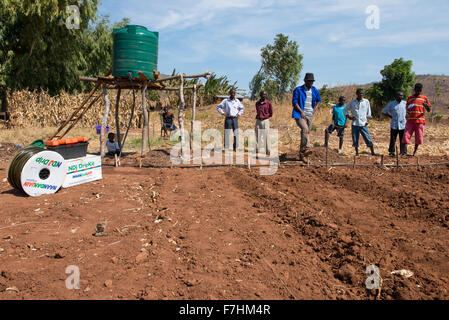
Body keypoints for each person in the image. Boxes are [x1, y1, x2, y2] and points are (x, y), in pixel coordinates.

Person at [292, 73, 321, 161]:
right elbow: (294, 102)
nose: (311, 83)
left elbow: (318, 100)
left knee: (306, 133)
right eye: (309, 81)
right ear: (305, 81)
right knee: (305, 129)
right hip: (300, 114)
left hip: (310, 114)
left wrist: (315, 108)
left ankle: (302, 155)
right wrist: (301, 112)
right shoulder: (298, 90)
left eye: (312, 81)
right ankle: (307, 148)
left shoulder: (314, 90)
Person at [402, 83, 431, 156]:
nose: (418, 91)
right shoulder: (410, 98)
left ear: (421, 90)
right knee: (406, 135)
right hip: (410, 120)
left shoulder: (424, 98)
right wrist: (407, 114)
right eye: (417, 90)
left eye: (420, 90)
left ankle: (414, 152)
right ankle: (404, 152)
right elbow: (407, 108)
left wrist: (427, 106)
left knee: (419, 136)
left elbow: (429, 110)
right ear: (414, 89)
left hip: (420, 121)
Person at [344, 88, 375, 156]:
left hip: (363, 123)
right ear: (357, 94)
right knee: (355, 138)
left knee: (368, 137)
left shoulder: (366, 101)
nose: (361, 95)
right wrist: (349, 117)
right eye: (360, 93)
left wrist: (368, 120)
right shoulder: (352, 102)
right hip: (355, 124)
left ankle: (372, 152)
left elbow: (368, 112)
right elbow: (345, 109)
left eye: (362, 93)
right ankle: (357, 153)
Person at [381, 91, 407, 157]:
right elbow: (384, 111)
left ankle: (403, 152)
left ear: (403, 96)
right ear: (396, 96)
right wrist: (390, 116)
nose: (400, 97)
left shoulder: (405, 103)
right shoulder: (391, 104)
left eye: (401, 95)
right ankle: (391, 152)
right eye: (398, 95)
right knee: (393, 139)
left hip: (403, 125)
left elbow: (410, 111)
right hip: (394, 125)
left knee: (403, 139)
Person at [255, 91, 273, 156]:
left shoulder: (268, 103)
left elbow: (271, 113)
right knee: (257, 135)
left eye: (265, 94)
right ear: (260, 95)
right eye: (262, 94)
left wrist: (266, 116)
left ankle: (268, 151)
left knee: (266, 136)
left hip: (265, 120)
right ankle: (257, 150)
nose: (264, 96)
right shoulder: (257, 103)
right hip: (258, 120)